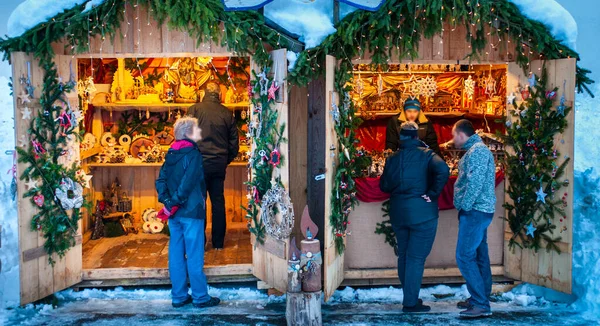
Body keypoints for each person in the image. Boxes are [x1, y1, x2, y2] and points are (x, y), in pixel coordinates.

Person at [380, 121, 449, 313]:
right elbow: (444, 170)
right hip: (423, 214)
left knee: (404, 255)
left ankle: (410, 296)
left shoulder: (392, 159)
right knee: (416, 258)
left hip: (399, 213)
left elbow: (384, 186)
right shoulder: (428, 155)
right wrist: (433, 192)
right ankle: (410, 303)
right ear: (417, 136)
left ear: (401, 137)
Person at [155, 116, 221, 308]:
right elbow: (188, 182)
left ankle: (179, 296)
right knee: (194, 254)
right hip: (191, 211)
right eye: (196, 129)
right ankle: (200, 297)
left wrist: (167, 202)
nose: (199, 132)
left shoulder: (170, 153)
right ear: (188, 133)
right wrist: (174, 201)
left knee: (175, 253)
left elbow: (161, 181)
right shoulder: (193, 154)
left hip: (174, 214)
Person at [452, 119, 496, 318]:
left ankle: (480, 303)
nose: (453, 139)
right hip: (479, 211)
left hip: (475, 212)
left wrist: (465, 205)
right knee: (479, 255)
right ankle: (481, 297)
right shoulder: (476, 151)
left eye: (454, 135)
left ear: (462, 135)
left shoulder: (477, 151)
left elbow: (475, 182)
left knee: (464, 255)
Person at [187, 82, 239, 249]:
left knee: (198, 203)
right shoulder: (226, 113)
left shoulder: (194, 110)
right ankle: (218, 243)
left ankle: (199, 243)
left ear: (204, 94)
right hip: (218, 164)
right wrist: (225, 159)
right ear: (219, 94)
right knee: (218, 203)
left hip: (198, 164)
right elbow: (234, 144)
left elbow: (185, 138)